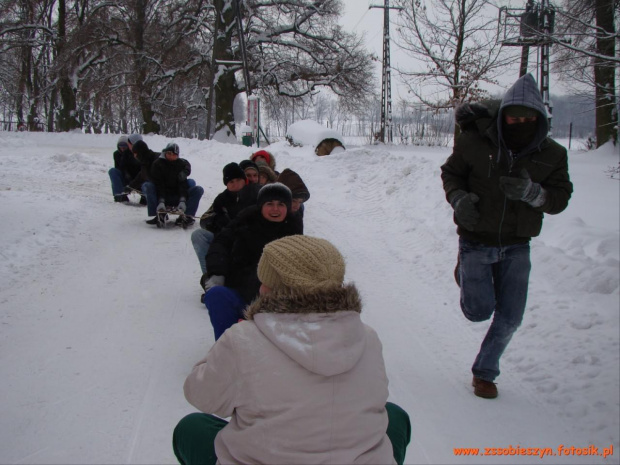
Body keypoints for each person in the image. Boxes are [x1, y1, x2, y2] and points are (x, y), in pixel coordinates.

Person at [173, 235, 412, 465]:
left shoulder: (243, 339)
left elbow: (201, 395)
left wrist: (227, 346)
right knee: (395, 416)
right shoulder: (367, 337)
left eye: (264, 279)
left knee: (191, 428)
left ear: (270, 288)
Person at [440, 73, 573, 399]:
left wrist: (533, 193)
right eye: (514, 116)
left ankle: (485, 372)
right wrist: (458, 199)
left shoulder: (553, 154)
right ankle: (467, 276)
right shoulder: (474, 141)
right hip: (475, 240)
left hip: (517, 244)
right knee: (478, 311)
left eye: (529, 118)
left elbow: (560, 198)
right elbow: (451, 173)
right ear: (503, 115)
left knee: (511, 317)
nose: (521, 122)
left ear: (540, 118)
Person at [201, 183, 301, 339]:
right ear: (261, 206)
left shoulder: (293, 227)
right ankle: (227, 347)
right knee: (217, 295)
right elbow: (220, 243)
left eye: (281, 204)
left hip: (276, 299)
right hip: (241, 289)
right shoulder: (245, 220)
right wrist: (217, 272)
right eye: (270, 204)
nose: (275, 209)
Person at [191, 162, 260, 275]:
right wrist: (217, 221)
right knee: (198, 235)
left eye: (238, 180)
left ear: (244, 179)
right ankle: (210, 278)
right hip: (227, 237)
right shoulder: (222, 199)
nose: (235, 184)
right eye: (231, 182)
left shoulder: (255, 192)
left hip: (249, 238)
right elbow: (206, 219)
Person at [147, 142, 204, 227]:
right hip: (163, 195)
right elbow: (159, 184)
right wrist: (161, 201)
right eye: (169, 153)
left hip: (177, 195)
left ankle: (187, 216)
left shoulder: (180, 164)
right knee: (148, 186)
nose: (171, 156)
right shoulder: (158, 164)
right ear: (165, 153)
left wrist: (182, 200)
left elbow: (183, 184)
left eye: (174, 154)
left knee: (198, 189)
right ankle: (159, 214)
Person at [108, 135, 144, 203]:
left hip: (136, 179)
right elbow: (118, 168)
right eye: (120, 147)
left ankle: (144, 195)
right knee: (113, 171)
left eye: (124, 147)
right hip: (125, 177)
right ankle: (118, 194)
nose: (122, 149)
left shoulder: (135, 154)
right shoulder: (116, 154)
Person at [277, 168, 310, 233]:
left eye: (300, 202)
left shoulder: (297, 214)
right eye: (294, 201)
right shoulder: (268, 214)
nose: (297, 206)